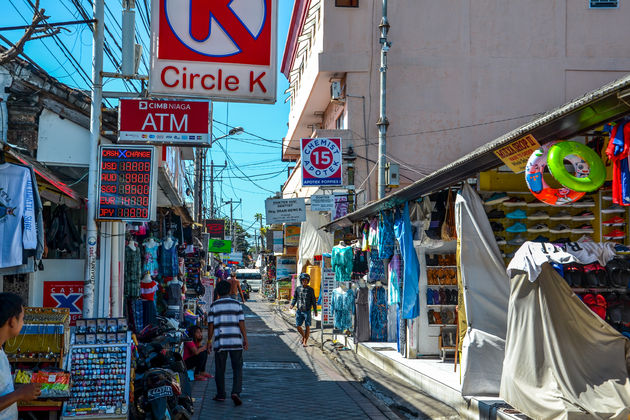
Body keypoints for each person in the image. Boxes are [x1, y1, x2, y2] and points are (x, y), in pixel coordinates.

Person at [0, 293, 41, 420]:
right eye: (22, 319)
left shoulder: (1, 351)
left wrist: (18, 389)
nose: (23, 323)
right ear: (12, 321)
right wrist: (19, 394)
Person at [208, 280, 248, 406]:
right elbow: (241, 322)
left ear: (218, 291)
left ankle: (221, 395)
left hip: (221, 342)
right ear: (230, 290)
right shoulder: (237, 304)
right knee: (237, 368)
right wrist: (245, 338)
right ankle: (235, 392)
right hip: (235, 341)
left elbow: (211, 325)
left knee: (220, 369)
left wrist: (209, 341)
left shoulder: (214, 306)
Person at [290, 273, 318, 347]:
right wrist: (292, 304)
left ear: (308, 281)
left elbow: (313, 301)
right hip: (299, 310)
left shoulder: (310, 290)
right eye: (303, 280)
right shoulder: (298, 289)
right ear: (301, 281)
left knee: (307, 326)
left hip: (307, 311)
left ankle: (305, 341)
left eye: (306, 280)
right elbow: (295, 298)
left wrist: (315, 311)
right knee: (298, 326)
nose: (304, 282)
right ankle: (303, 336)